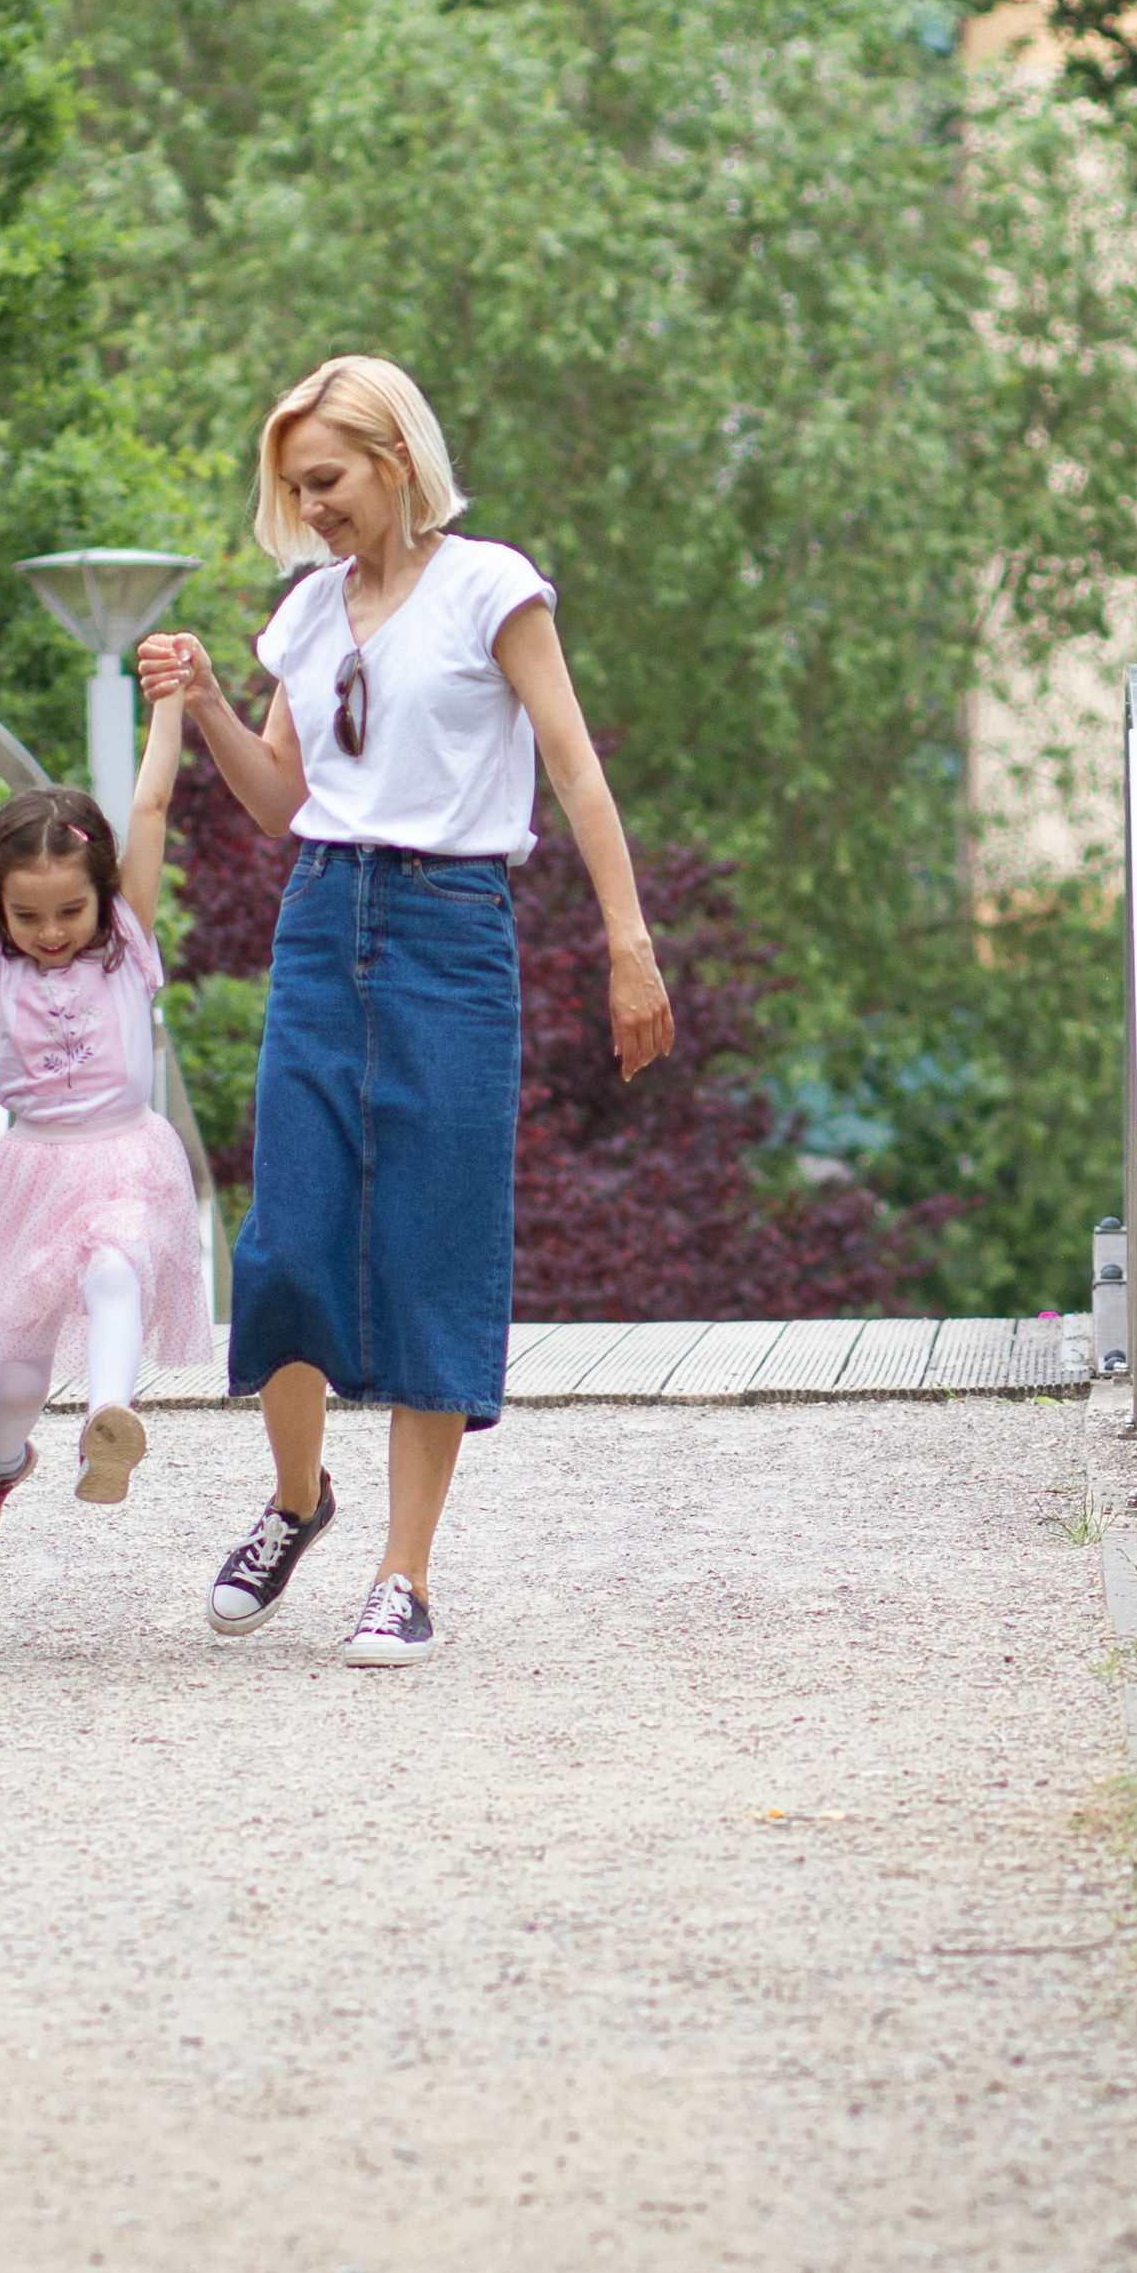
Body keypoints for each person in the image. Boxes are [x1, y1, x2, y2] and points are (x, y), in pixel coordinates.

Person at [137, 353, 673, 1667]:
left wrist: (627, 941)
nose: (309, 506)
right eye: (293, 487)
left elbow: (572, 763)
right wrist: (207, 701)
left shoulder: (492, 586)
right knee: (288, 1244)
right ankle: (297, 1499)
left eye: (326, 480)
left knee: (434, 1242)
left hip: (452, 934)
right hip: (322, 925)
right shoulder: (308, 616)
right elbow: (278, 804)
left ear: (392, 461)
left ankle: (404, 1574)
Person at [0, 684, 211, 1545]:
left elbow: (149, 801)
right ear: (1, 911)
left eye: (72, 910)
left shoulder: (127, 947)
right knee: (20, 1370)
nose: (52, 931)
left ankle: (110, 1418)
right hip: (35, 1170)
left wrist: (171, 702)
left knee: (117, 1267)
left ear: (104, 897)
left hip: (125, 1156)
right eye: (27, 915)